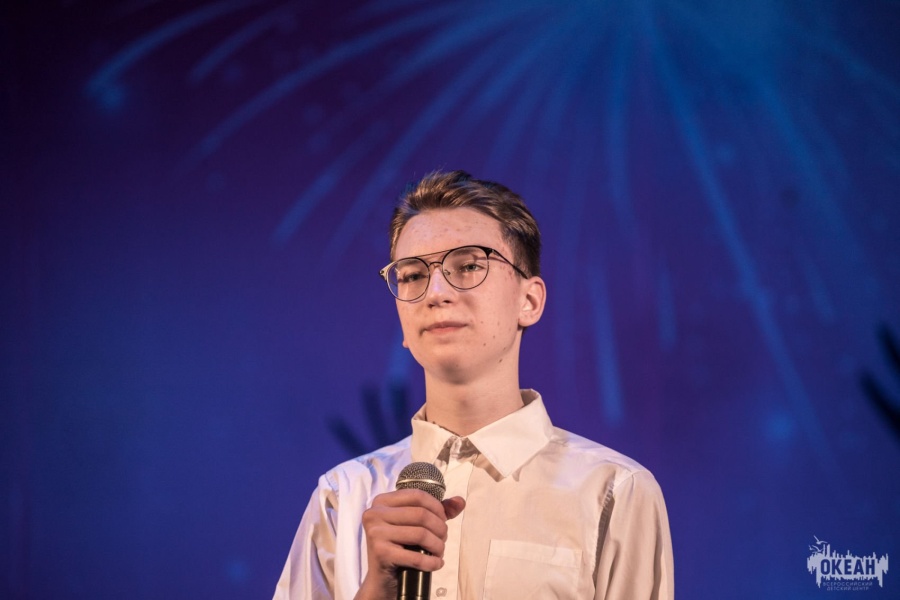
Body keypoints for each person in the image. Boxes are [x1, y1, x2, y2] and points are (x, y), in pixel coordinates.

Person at [274, 171, 674, 599]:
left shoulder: (612, 491)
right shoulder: (344, 496)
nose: (436, 293)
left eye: (468, 266)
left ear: (529, 301)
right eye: (413, 275)